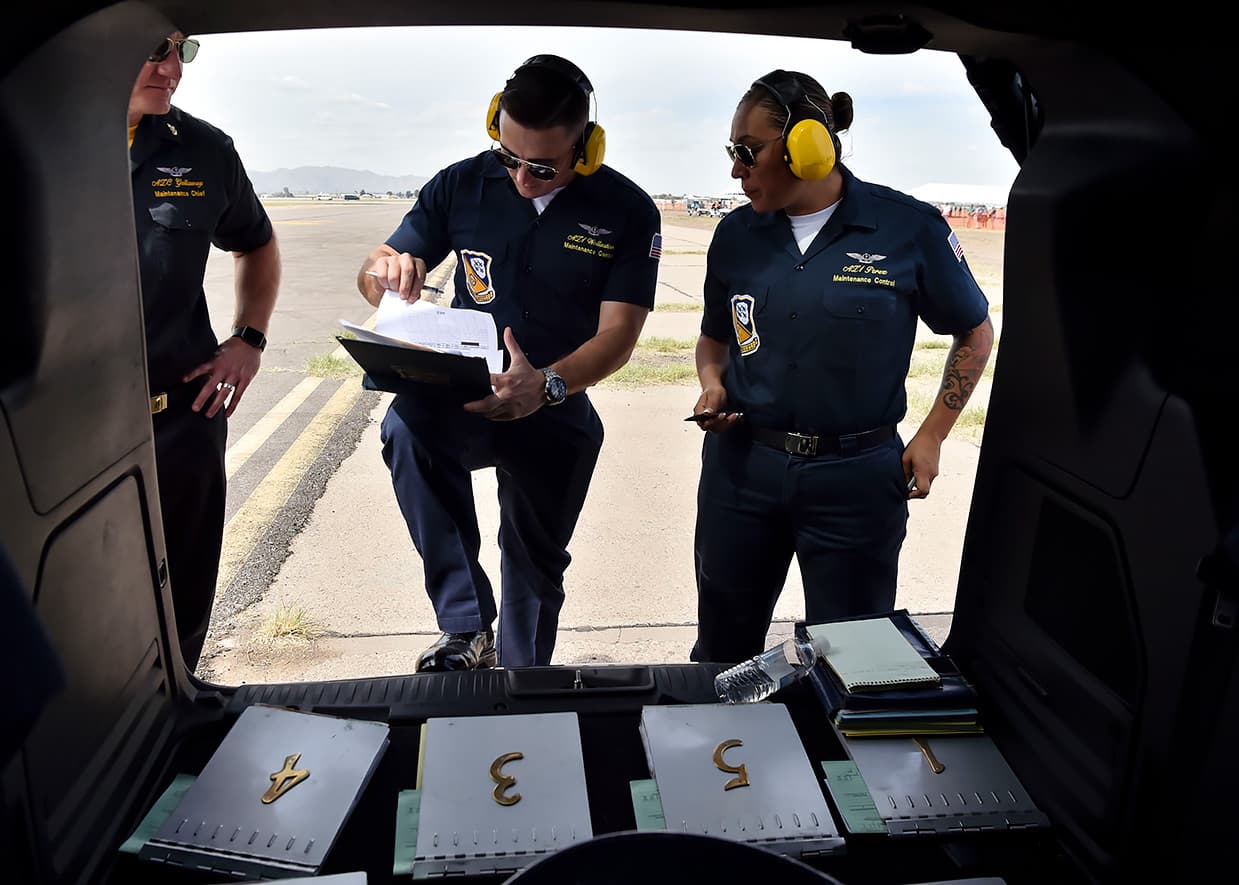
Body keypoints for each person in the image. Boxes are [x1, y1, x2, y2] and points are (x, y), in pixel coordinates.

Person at [356, 54, 661, 671]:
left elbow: (619, 335)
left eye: (543, 166)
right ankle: (467, 627)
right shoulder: (461, 186)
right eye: (509, 157)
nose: (522, 177)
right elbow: (375, 270)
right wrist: (383, 274)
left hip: (555, 400)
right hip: (467, 393)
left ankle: (524, 679)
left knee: (535, 562)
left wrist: (546, 385)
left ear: (587, 148)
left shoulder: (626, 210)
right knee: (405, 429)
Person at [688, 69, 994, 664]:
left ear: (806, 145)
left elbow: (975, 332)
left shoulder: (908, 228)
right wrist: (712, 384)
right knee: (723, 645)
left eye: (747, 152)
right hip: (742, 471)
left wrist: (931, 437)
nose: (735, 171)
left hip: (856, 478)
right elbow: (713, 339)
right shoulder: (735, 236)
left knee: (857, 656)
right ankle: (724, 754)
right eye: (733, 153)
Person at [129, 31, 282, 671]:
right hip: (65, 434)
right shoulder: (38, 144)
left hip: (179, 421)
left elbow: (257, 243)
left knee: (183, 608)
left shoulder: (204, 150)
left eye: (180, 52)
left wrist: (248, 339)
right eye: (152, 50)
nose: (171, 70)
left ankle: (179, 723)